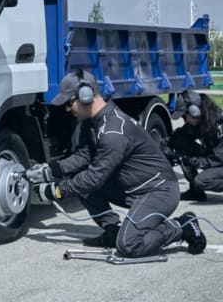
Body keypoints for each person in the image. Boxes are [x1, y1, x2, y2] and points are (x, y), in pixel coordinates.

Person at [33, 69, 206, 257]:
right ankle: (111, 231)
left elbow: (94, 178)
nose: (67, 109)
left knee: (129, 245)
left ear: (85, 96)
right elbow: (85, 155)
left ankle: (182, 226)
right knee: (79, 180)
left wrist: (55, 191)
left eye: (69, 103)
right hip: (135, 187)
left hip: (159, 191)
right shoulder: (93, 122)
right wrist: (52, 170)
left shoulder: (113, 132)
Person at [168, 90, 223, 202]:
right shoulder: (201, 119)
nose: (184, 119)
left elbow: (219, 158)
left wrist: (196, 161)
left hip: (219, 159)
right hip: (215, 156)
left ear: (195, 112)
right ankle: (196, 193)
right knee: (181, 144)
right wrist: (166, 143)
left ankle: (197, 185)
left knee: (201, 181)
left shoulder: (219, 123)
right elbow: (182, 135)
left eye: (185, 116)